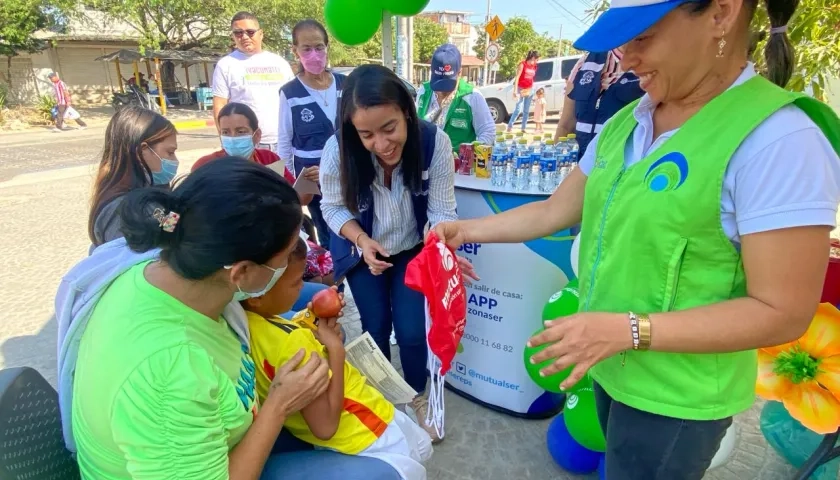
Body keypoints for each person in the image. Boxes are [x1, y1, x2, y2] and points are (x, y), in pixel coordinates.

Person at [432, 0, 840, 477]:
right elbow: (555, 210)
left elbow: (783, 312)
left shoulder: (778, 139)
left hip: (676, 398)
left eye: (642, 38)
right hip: (612, 370)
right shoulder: (628, 122)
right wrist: (465, 231)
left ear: (721, 14)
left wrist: (625, 330)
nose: (625, 59)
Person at [60, 158, 402, 480]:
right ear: (241, 272)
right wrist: (279, 405)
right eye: (285, 258)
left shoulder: (169, 262)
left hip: (218, 433)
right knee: (384, 474)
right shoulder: (170, 374)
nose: (293, 267)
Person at [319, 65, 460, 443]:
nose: (381, 144)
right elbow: (332, 208)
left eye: (389, 128)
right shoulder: (338, 149)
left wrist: (438, 247)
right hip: (364, 252)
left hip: (415, 249)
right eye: (366, 134)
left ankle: (415, 398)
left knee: (413, 334)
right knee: (375, 328)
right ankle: (384, 402)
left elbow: (443, 211)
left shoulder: (435, 143)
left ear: (408, 113)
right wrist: (362, 241)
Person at [245, 238, 433, 479]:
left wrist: (309, 318)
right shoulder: (293, 345)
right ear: (256, 296)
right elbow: (325, 426)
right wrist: (335, 350)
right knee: (410, 453)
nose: (302, 288)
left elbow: (281, 332)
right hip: (362, 426)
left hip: (347, 429)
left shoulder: (254, 324)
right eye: (295, 283)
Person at [193, 102, 328, 312]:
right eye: (226, 132)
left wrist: (308, 184)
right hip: (241, 250)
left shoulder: (268, 159)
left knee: (324, 273)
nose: (233, 138)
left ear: (256, 135)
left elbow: (297, 200)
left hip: (279, 236)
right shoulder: (207, 166)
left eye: (240, 131)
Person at [278, 19, 346, 250]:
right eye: (306, 49)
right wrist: (292, 185)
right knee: (328, 237)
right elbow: (285, 144)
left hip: (348, 177)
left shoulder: (345, 85)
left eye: (319, 47)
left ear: (327, 48)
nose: (314, 54)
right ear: (295, 51)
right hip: (314, 185)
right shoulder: (290, 93)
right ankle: (334, 281)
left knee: (354, 231)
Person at [88, 106, 178, 251]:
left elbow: (169, 227)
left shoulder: (146, 194)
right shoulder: (124, 211)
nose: (175, 160)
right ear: (142, 150)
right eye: (170, 152)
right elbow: (131, 264)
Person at [212, 11, 295, 153]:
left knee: (280, 176)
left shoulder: (280, 63)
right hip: (247, 144)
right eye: (238, 33)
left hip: (282, 142)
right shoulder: (225, 65)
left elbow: (293, 100)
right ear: (233, 36)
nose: (244, 37)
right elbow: (219, 106)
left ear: (261, 34)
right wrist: (227, 142)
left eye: (250, 32)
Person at [553, 49, 644, 156]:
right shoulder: (586, 61)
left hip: (622, 167)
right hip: (581, 165)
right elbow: (566, 125)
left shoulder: (650, 63)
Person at [415, 44, 495, 146]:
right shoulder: (423, 91)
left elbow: (488, 132)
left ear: (459, 72)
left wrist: (469, 152)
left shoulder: (472, 96)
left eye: (447, 84)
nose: (441, 91)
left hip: (458, 160)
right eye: (438, 82)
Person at [506, 50, 539, 133]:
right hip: (520, 88)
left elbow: (532, 78)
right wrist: (515, 91)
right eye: (536, 59)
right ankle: (510, 126)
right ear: (533, 58)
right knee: (518, 109)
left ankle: (523, 128)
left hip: (529, 89)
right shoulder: (522, 64)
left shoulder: (534, 66)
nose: (537, 61)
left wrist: (533, 89)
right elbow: (517, 77)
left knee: (526, 110)